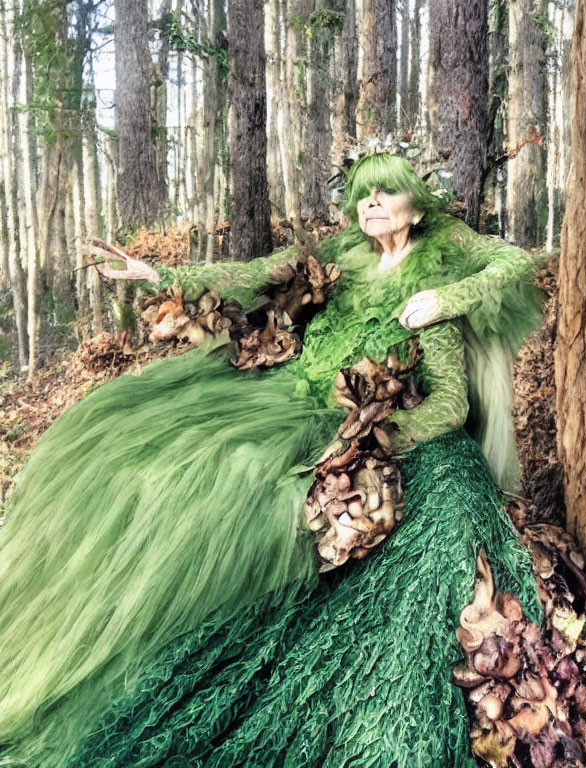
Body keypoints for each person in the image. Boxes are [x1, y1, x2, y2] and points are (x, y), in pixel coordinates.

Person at [0, 153, 544, 767]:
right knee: (130, 446)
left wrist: (440, 313)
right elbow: (255, 272)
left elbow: (451, 396)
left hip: (342, 417)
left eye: (385, 193)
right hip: (286, 392)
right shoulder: (344, 256)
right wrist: (159, 272)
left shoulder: (435, 273)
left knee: (239, 479)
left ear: (416, 207)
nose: (369, 205)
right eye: (362, 195)